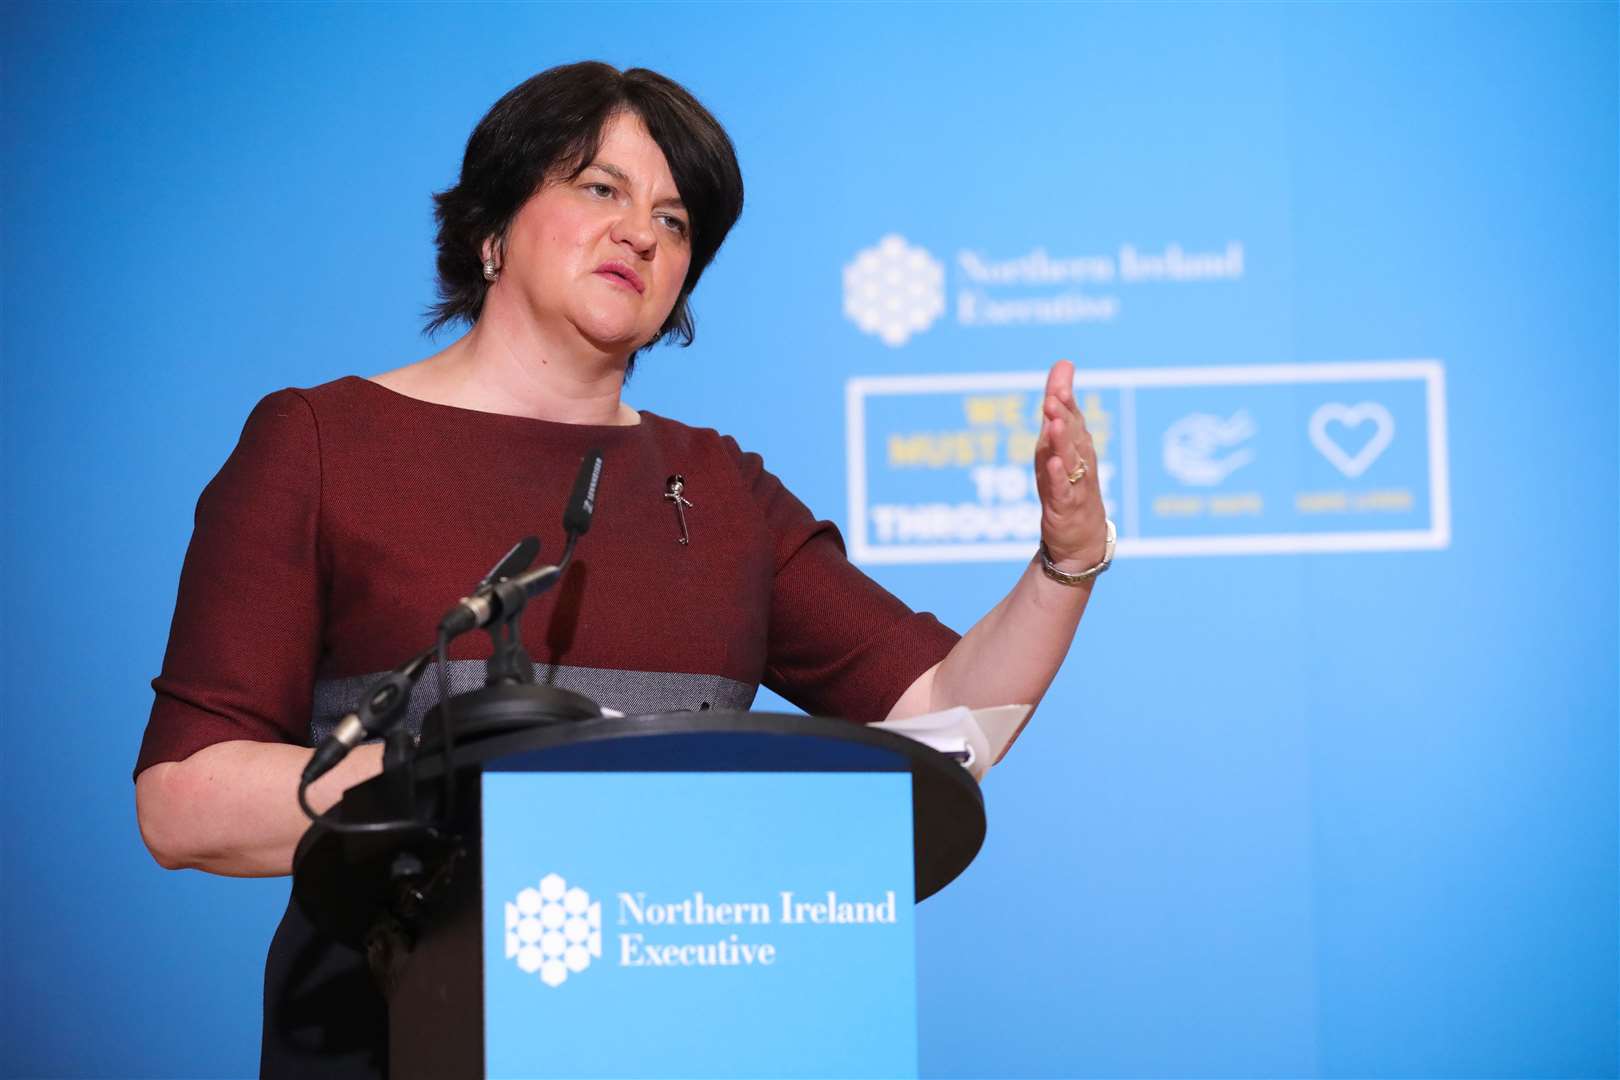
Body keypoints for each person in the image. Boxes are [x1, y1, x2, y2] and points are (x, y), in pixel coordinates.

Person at [133, 61, 1111, 1078]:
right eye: (600, 189)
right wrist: (460, 784)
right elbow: (183, 796)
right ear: (491, 228)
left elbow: (950, 712)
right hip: (397, 1026)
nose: (643, 233)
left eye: (676, 220)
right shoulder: (324, 442)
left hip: (687, 1024)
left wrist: (1068, 559)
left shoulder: (720, 487)